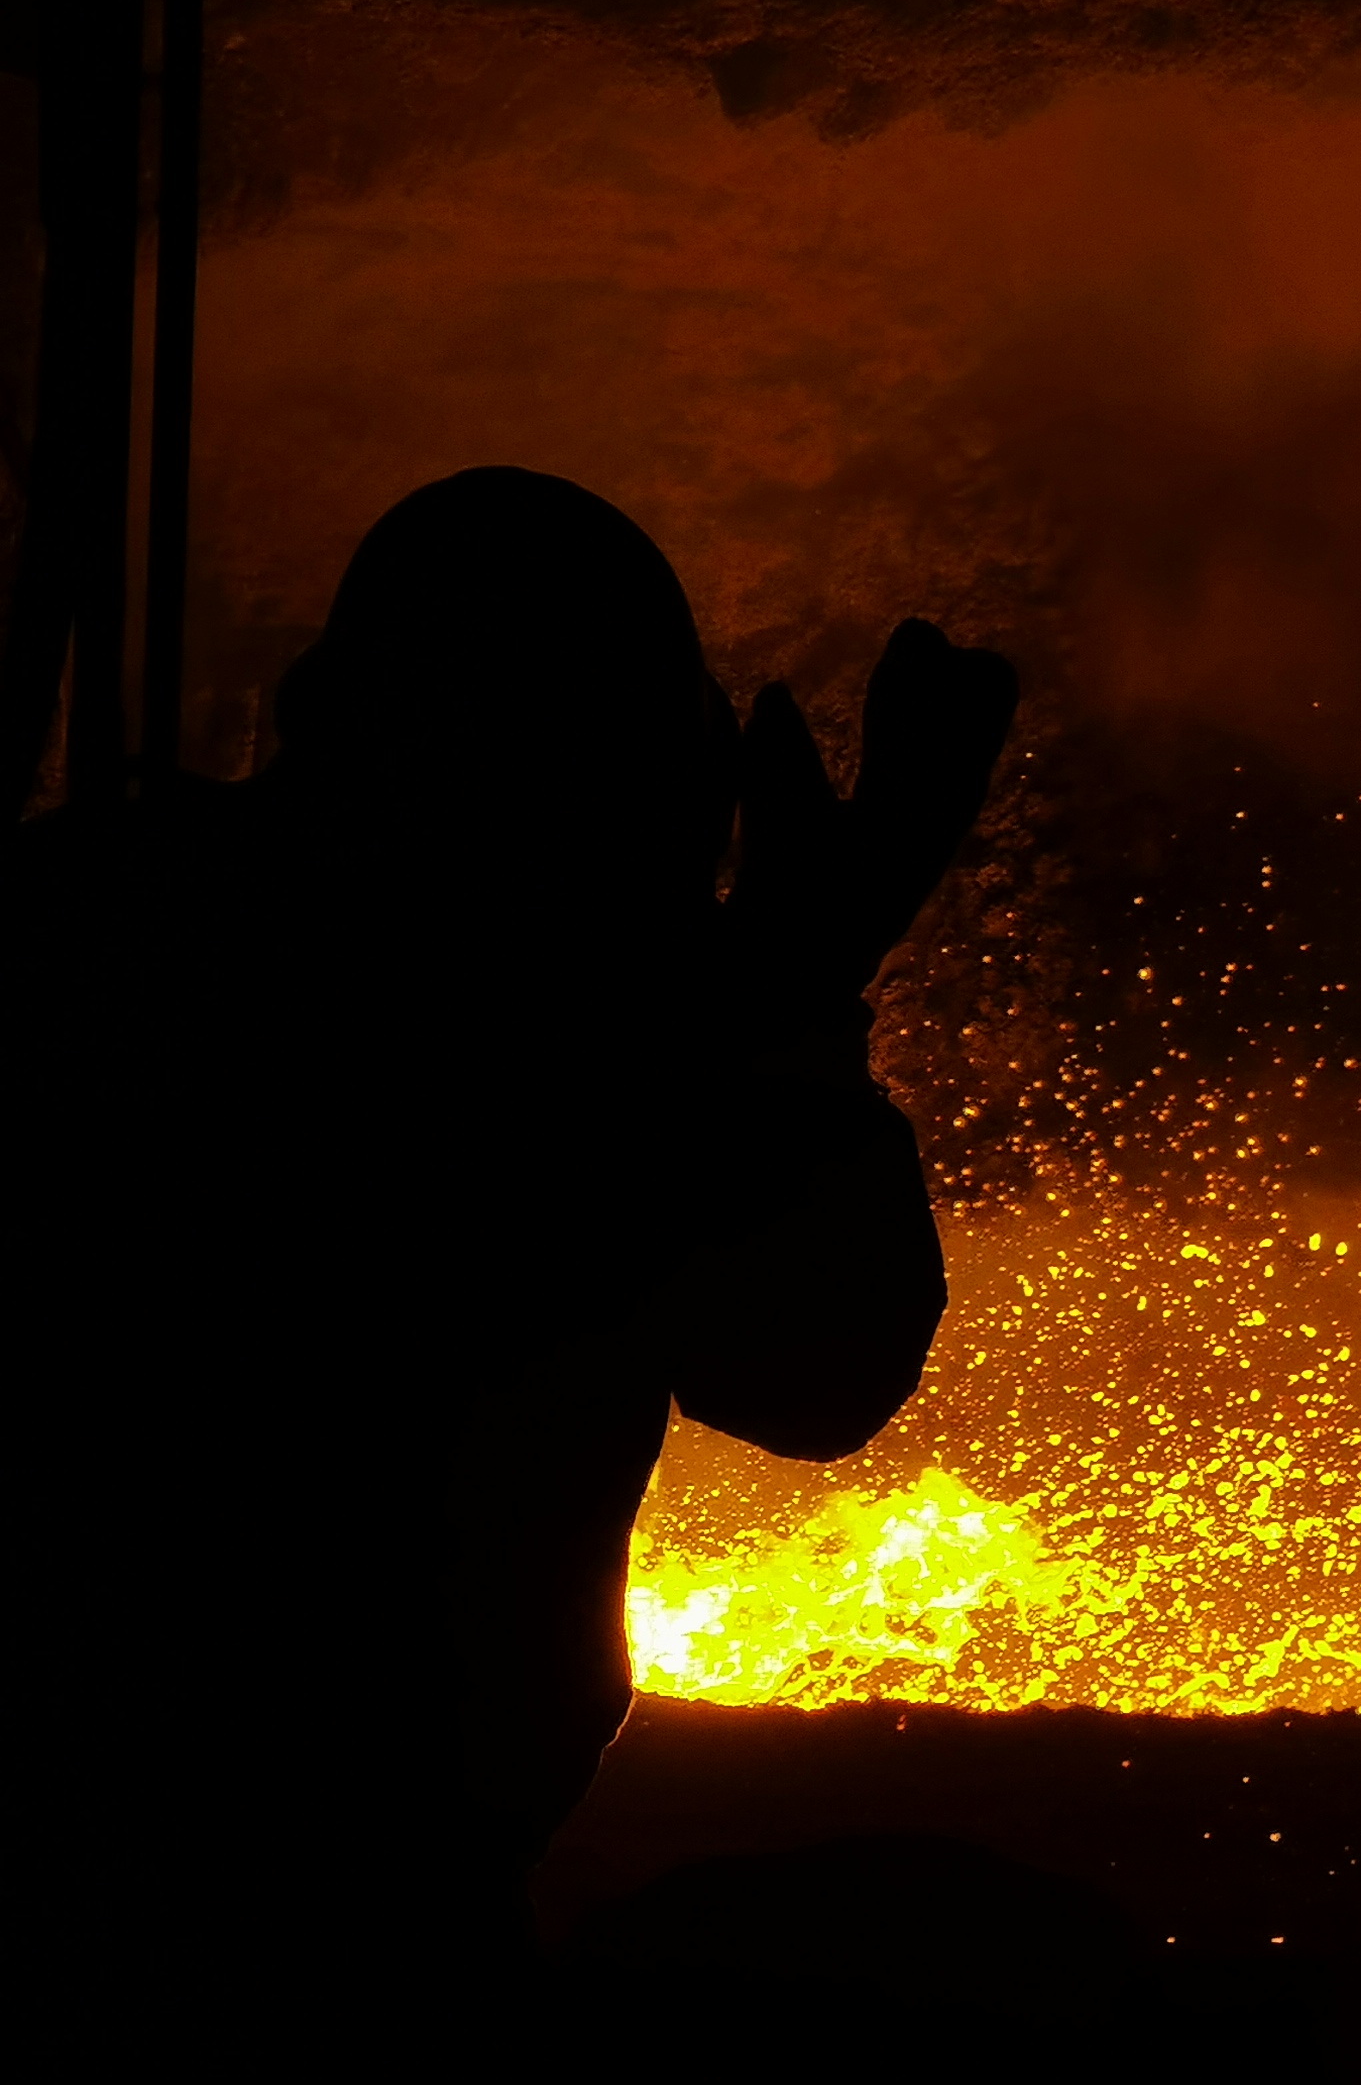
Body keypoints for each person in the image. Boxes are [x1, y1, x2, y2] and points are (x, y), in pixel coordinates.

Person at [9, 467, 1015, 1990]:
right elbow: (817, 1368)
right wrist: (802, 980)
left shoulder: (87, 934)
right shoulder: (558, 1025)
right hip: (343, 1906)